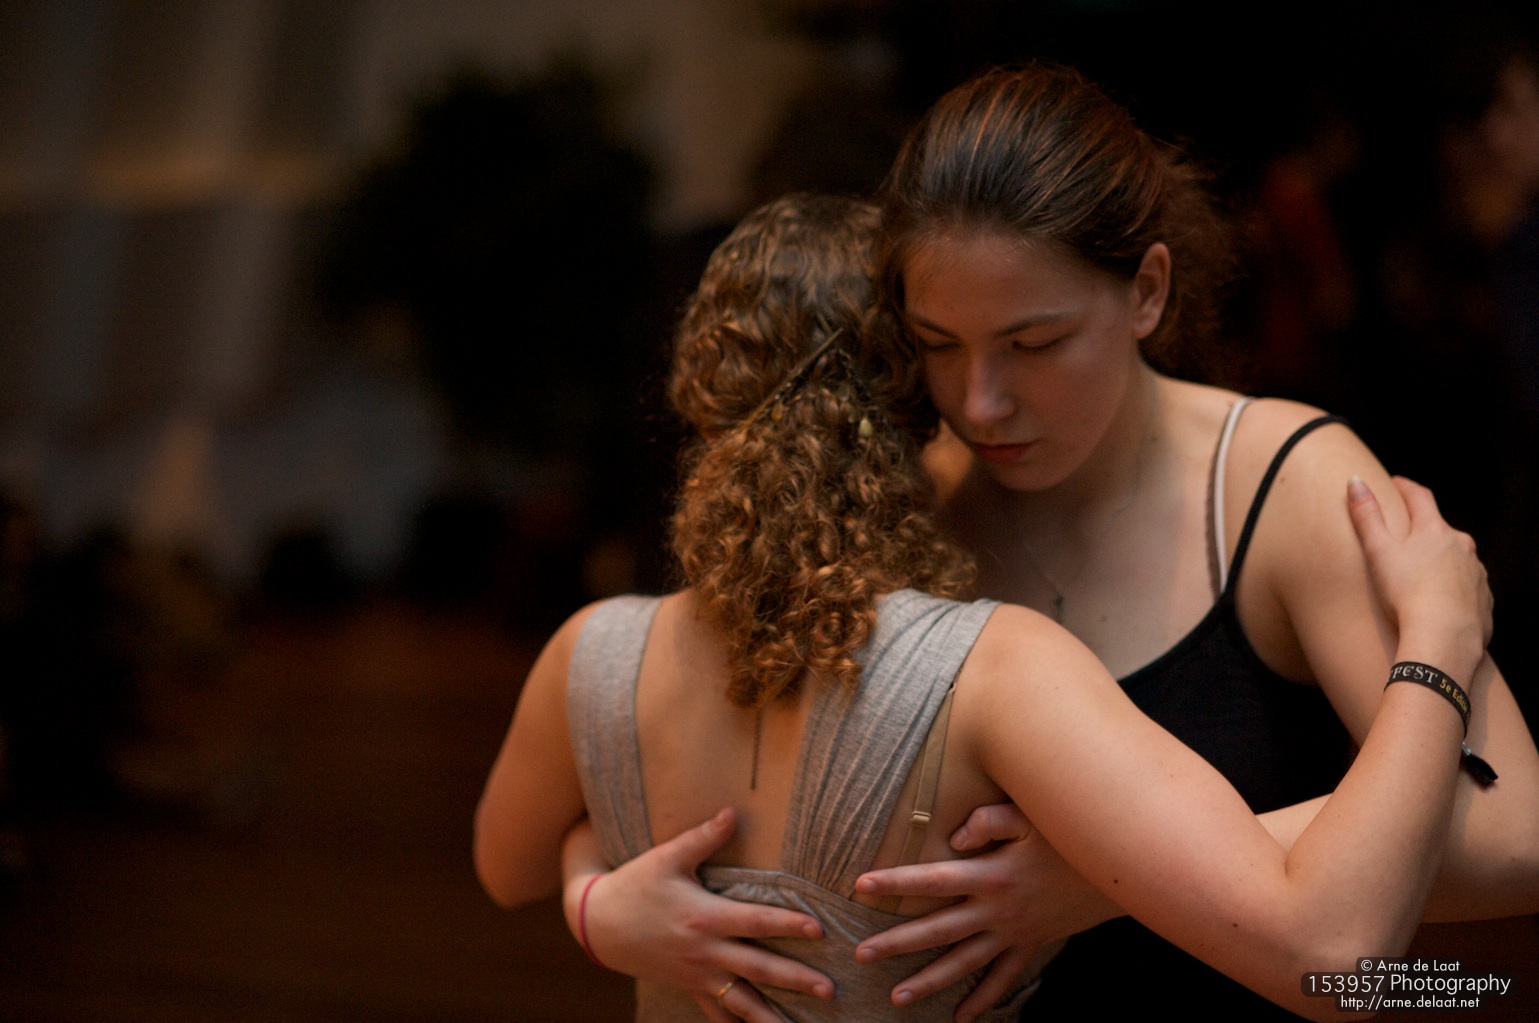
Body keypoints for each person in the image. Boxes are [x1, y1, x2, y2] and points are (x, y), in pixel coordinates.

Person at [558, 65, 1539, 1023]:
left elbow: (1516, 834)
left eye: (1033, 344)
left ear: (1146, 290)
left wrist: (1107, 876)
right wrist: (594, 899)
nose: (980, 402)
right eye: (938, 345)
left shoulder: (1282, 488)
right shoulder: (898, 504)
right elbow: (670, 754)